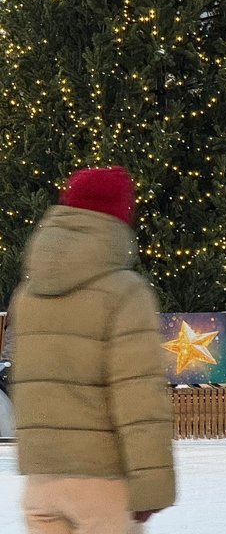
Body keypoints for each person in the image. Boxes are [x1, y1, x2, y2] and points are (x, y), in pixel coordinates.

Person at [9, 166, 176, 531]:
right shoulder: (125, 292)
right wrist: (150, 486)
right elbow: (138, 395)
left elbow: (26, 384)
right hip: (103, 482)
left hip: (40, 482)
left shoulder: (28, 294)